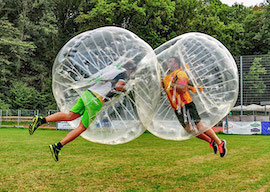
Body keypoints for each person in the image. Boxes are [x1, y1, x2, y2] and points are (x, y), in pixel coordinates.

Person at [29, 60, 137, 161]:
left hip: (88, 93)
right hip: (96, 99)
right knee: (82, 127)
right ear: (130, 70)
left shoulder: (113, 69)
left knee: (70, 116)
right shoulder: (125, 74)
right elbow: (118, 87)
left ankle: (41, 120)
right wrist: (124, 89)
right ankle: (57, 146)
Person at [162, 57, 227, 158]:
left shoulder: (180, 74)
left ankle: (220, 142)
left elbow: (183, 89)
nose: (168, 63)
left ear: (176, 64)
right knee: (190, 130)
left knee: (199, 126)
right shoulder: (167, 78)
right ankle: (211, 141)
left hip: (186, 104)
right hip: (177, 108)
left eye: (170, 61)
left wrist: (172, 84)